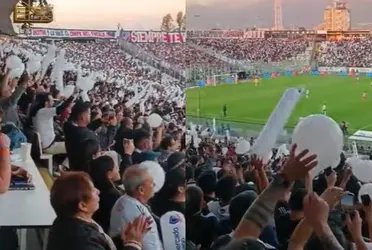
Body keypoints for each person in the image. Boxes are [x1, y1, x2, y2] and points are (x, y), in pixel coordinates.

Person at [47, 172, 150, 250]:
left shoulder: (65, 222)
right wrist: (133, 244)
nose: (98, 191)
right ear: (82, 205)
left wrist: (122, 241)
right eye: (92, 190)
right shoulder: (83, 240)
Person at [109, 166, 163, 250]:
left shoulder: (122, 199)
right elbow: (152, 246)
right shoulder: (140, 215)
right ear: (141, 190)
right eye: (152, 183)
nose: (154, 185)